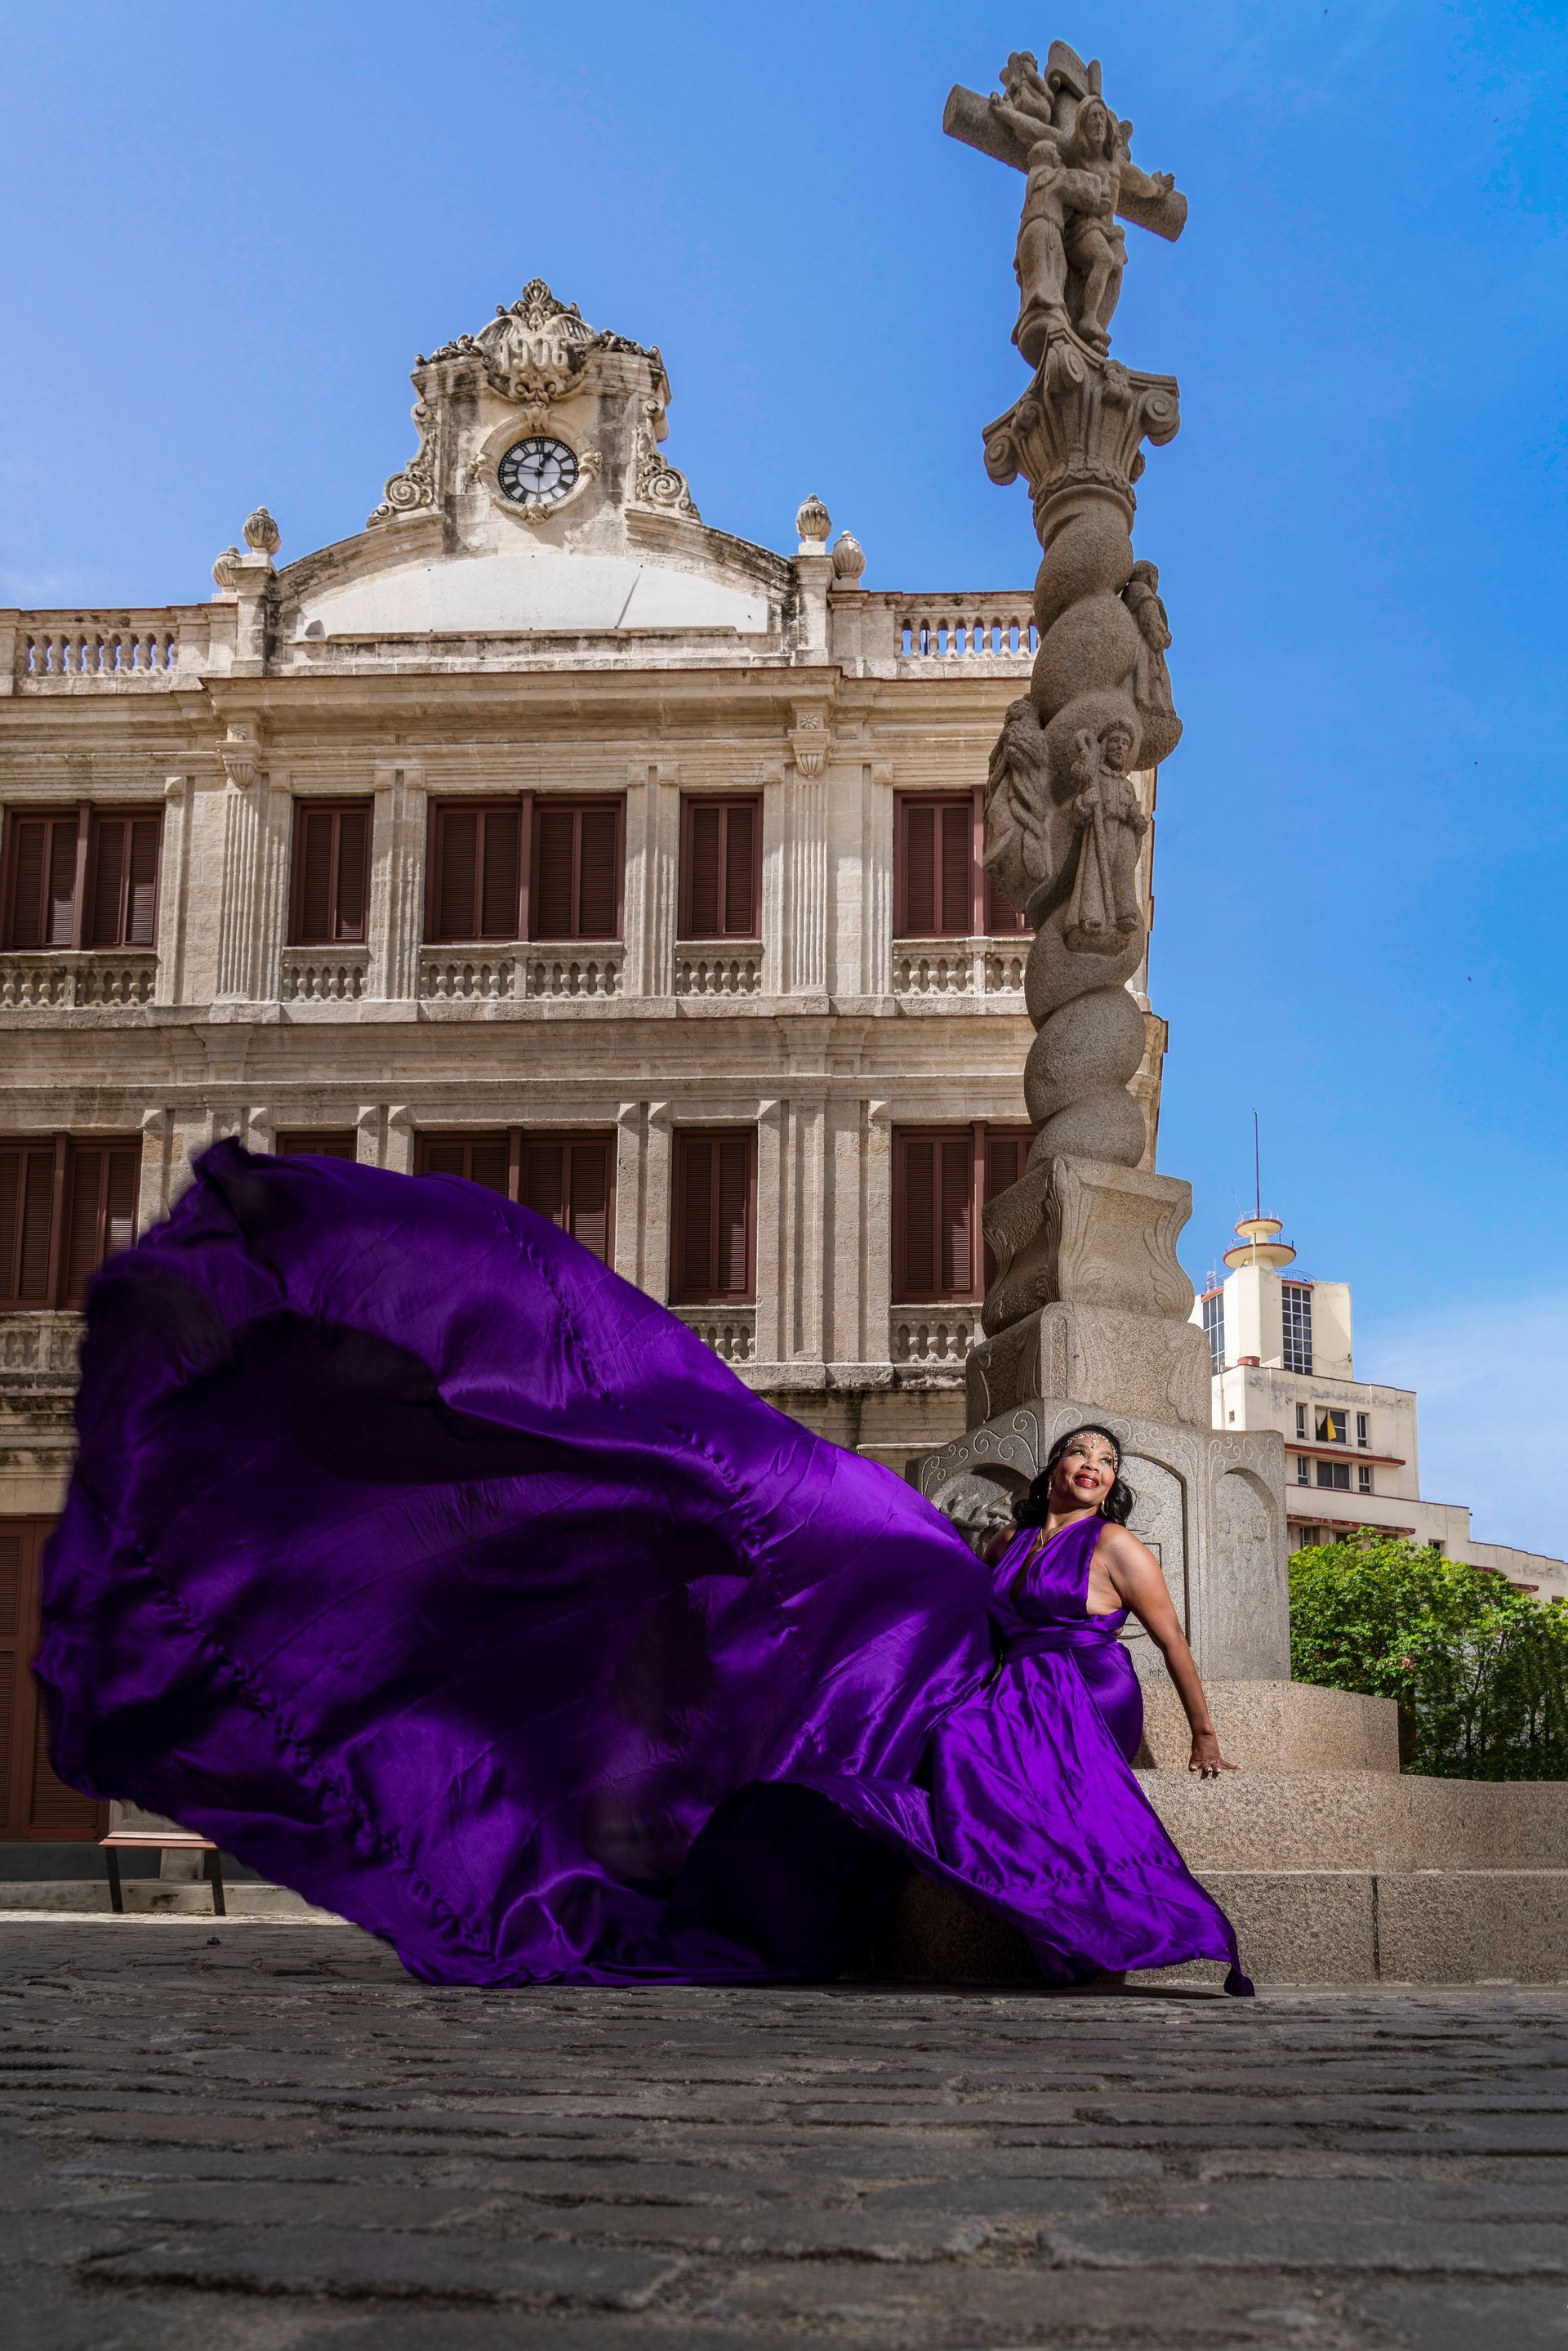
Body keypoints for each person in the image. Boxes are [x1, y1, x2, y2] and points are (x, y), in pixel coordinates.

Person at [35, 1144, 1251, 1994]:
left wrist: (1200, 1728)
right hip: (995, 1673)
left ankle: (1075, 1902)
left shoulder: (1116, 1547)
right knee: (843, 1580)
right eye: (1079, 1454)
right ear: (1055, 1471)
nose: (1089, 1466)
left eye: (1105, 1462)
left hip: (1080, 1691)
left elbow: (1170, 1638)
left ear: (1116, 1487)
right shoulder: (1011, 1542)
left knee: (968, 1738)